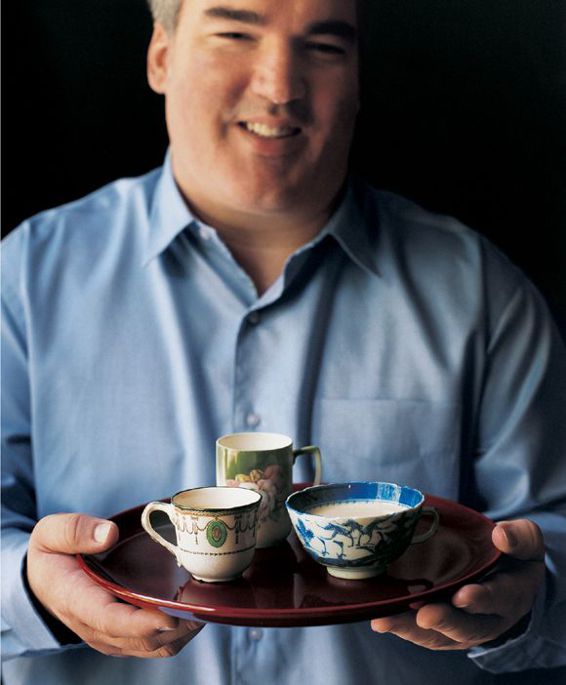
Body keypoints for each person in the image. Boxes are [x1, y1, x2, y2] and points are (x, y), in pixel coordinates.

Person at [2, 0, 565, 683]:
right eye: (236, 34)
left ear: (358, 78)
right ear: (160, 56)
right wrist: (29, 588)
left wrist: (531, 597)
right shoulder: (24, 279)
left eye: (324, 47)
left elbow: (552, 534)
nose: (278, 86)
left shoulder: (483, 295)